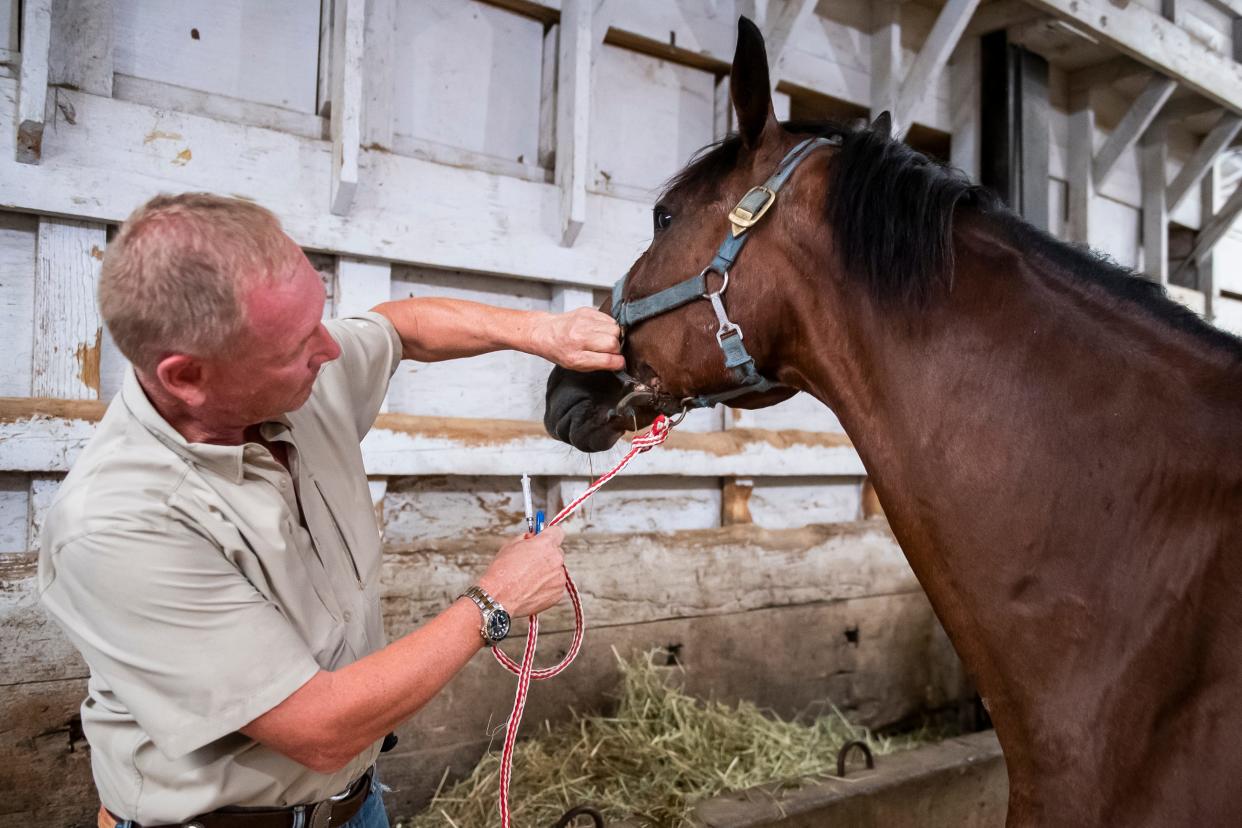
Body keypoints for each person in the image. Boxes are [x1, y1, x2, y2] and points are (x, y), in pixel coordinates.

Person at [37, 193, 625, 827]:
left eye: (319, 319)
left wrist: (542, 332)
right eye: (297, 343)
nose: (331, 348)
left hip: (352, 805)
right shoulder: (119, 526)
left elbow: (400, 327)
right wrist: (494, 602)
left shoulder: (291, 385)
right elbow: (318, 728)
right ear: (186, 377)